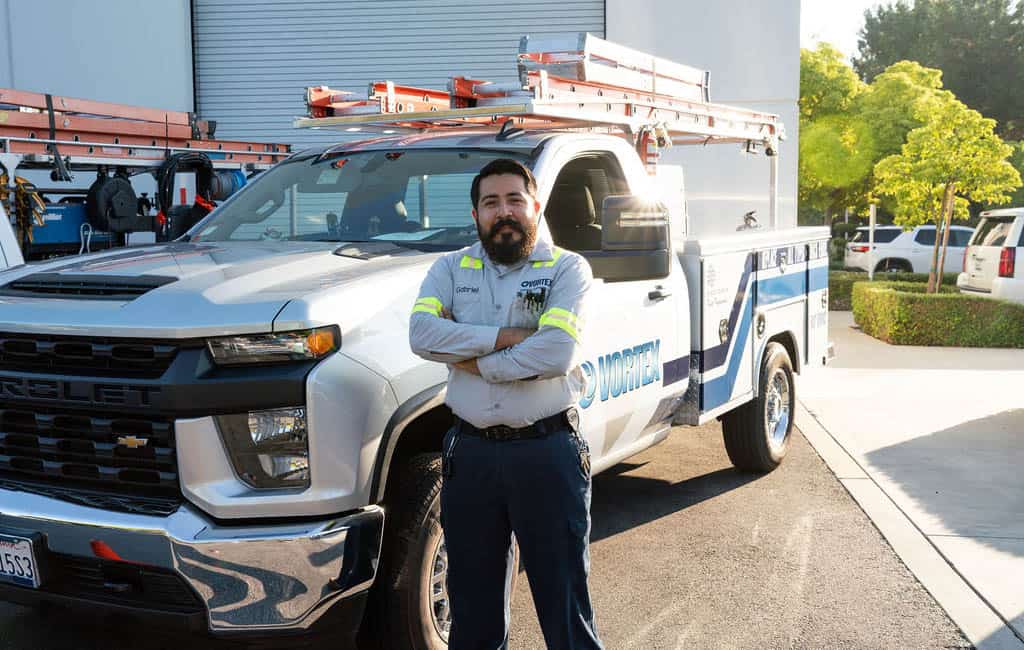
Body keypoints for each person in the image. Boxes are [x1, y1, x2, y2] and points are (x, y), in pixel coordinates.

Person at [409, 158, 603, 649]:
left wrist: (471, 359)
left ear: (535, 206)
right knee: (472, 617)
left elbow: (557, 352)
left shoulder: (567, 269)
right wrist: (511, 337)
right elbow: (422, 335)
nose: (504, 212)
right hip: (470, 456)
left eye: (515, 200)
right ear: (475, 214)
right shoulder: (449, 268)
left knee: (565, 610)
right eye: (491, 202)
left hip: (547, 453)